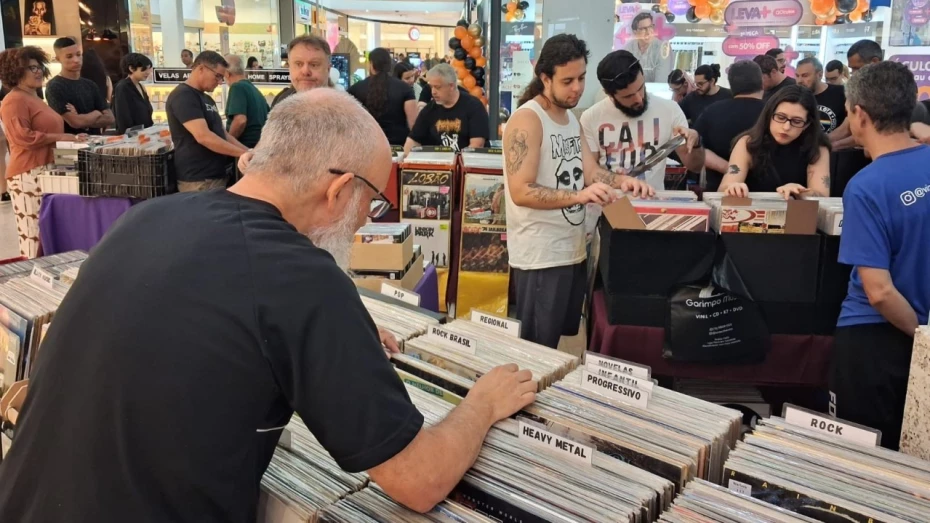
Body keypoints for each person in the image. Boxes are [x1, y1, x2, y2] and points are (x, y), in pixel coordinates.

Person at [0, 89, 538, 521]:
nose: (366, 219)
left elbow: (213, 314)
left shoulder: (151, 216)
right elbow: (418, 480)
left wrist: (333, 333)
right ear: (340, 190)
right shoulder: (304, 281)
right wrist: (482, 405)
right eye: (372, 200)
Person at [503, 35, 652, 349]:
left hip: (571, 247)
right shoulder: (528, 119)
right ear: (545, 78)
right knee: (538, 347)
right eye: (567, 80)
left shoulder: (569, 117)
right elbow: (521, 191)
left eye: (582, 78)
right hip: (541, 254)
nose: (577, 88)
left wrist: (621, 181)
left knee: (556, 341)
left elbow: (590, 170)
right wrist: (580, 196)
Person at [830, 61, 930, 451]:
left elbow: (880, 292)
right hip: (918, 329)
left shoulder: (866, 186)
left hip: (875, 338)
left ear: (859, 115)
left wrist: (920, 336)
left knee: (864, 461)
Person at [580, 50, 704, 191]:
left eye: (641, 88)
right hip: (608, 207)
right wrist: (621, 181)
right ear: (609, 94)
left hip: (653, 206)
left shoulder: (670, 110)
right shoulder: (591, 118)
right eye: (628, 96)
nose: (639, 99)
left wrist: (696, 142)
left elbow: (695, 166)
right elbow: (590, 173)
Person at [0, 47, 82, 258]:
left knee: (47, 231)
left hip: (45, 170)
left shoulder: (34, 97)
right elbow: (23, 137)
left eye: (39, 67)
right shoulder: (14, 100)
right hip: (28, 173)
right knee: (33, 235)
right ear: (15, 71)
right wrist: (60, 137)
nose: (37, 72)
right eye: (31, 68)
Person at [719, 85, 831, 199]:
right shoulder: (748, 143)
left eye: (796, 121)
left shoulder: (818, 148)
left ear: (807, 125)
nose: (786, 127)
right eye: (781, 117)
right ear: (769, 115)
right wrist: (733, 188)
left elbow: (822, 196)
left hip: (797, 213)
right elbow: (724, 188)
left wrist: (800, 192)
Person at [166, 51, 248, 192]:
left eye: (222, 77)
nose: (220, 82)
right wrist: (241, 154)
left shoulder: (207, 99)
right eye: (217, 76)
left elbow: (223, 134)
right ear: (201, 69)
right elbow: (203, 136)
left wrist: (248, 151)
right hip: (198, 179)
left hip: (216, 175)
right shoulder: (183, 96)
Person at [693, 60, 766, 191]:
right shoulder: (775, 113)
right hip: (768, 195)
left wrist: (730, 169)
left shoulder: (712, 111)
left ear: (731, 84)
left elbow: (696, 149)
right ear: (762, 81)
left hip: (721, 193)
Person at [404, 63, 489, 154]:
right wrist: (404, 159)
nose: (433, 92)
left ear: (451, 86)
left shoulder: (474, 106)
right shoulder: (429, 109)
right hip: (438, 164)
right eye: (431, 87)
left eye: (437, 87)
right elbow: (413, 140)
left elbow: (477, 145)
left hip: (466, 164)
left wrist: (456, 163)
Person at [45, 37, 114, 135]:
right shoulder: (55, 86)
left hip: (95, 143)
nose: (76, 60)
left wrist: (83, 121)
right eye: (69, 56)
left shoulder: (90, 84)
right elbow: (75, 122)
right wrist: (96, 113)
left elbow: (110, 118)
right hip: (71, 146)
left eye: (78, 55)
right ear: (58, 59)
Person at [348, 48, 417, 146]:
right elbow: (413, 124)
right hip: (398, 146)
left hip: (367, 146)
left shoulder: (355, 89)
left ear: (371, 65)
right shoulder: (405, 89)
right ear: (389, 65)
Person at [271, 35, 332, 108]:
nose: (305, 71)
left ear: (328, 69)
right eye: (298, 64)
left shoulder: (344, 110)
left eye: (314, 65)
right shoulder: (281, 101)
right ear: (289, 68)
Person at [223, 54, 269, 149]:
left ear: (227, 73)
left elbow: (240, 120)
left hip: (244, 148)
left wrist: (228, 142)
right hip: (259, 146)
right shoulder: (254, 89)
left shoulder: (237, 87)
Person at [796, 57, 846, 134]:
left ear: (819, 75)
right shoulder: (795, 96)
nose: (799, 80)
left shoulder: (841, 93)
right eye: (797, 76)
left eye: (805, 75)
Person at [624, 12, 672, 83]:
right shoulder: (628, 48)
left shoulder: (663, 48)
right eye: (643, 29)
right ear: (635, 32)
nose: (648, 32)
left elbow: (661, 82)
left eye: (650, 27)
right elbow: (625, 77)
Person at [112, 53, 154, 134]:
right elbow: (123, 118)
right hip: (132, 138)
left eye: (149, 69)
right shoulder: (122, 87)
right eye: (144, 69)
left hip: (145, 135)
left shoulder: (141, 86)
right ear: (131, 68)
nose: (148, 72)